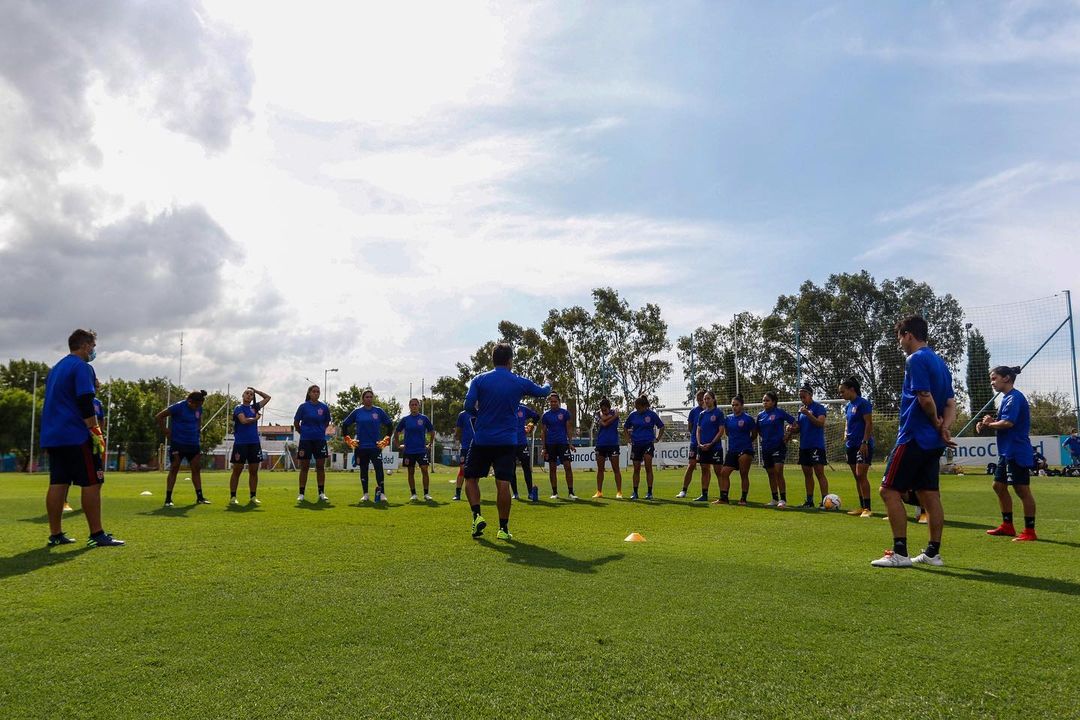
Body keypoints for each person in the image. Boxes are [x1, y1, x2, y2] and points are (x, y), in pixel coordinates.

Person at [872, 315, 956, 568]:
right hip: (933, 441)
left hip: (914, 435)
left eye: (900, 336)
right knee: (929, 494)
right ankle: (933, 553)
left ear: (908, 334)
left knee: (888, 490)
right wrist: (945, 428)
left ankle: (900, 553)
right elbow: (951, 403)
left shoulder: (915, 359)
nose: (899, 342)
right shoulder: (940, 363)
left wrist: (934, 423)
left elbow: (924, 397)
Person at [41, 329, 124, 547]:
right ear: (85, 345)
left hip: (54, 435)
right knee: (92, 482)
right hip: (76, 434)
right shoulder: (82, 367)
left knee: (58, 482)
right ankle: (97, 535)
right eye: (93, 346)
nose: (94, 351)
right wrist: (95, 430)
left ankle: (55, 534)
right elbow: (85, 399)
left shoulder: (56, 368)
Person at [461, 343, 551, 539]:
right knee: (503, 483)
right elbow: (543, 392)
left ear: (493, 360)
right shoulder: (518, 381)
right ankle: (503, 529)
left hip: (482, 439)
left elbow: (467, 405)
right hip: (507, 441)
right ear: (510, 361)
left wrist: (480, 415)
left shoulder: (479, 380)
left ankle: (477, 516)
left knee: (470, 478)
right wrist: (548, 383)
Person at [977, 366, 1037, 542]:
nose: (992, 382)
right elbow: (1001, 422)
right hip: (1006, 451)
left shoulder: (1015, 398)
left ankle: (1029, 531)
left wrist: (990, 424)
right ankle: (1008, 526)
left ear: (1007, 378)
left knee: (1022, 490)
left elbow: (1008, 423)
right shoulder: (1007, 398)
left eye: (994, 378)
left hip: (1016, 450)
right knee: (998, 486)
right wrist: (988, 423)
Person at [156, 390, 209, 507]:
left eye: (200, 406)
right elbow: (159, 416)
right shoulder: (178, 407)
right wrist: (165, 431)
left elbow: (198, 419)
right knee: (174, 468)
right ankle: (168, 499)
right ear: (190, 401)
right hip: (178, 443)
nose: (198, 408)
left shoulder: (199, 408)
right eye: (196, 405)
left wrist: (197, 429)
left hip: (193, 444)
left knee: (196, 468)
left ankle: (200, 497)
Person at [340, 389, 394, 503]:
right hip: (361, 447)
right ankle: (365, 494)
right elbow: (344, 425)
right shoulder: (357, 412)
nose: (369, 399)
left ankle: (382, 493)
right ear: (363, 399)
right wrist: (348, 439)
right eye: (366, 397)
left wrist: (386, 439)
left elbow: (390, 425)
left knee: (379, 469)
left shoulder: (378, 411)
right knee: (363, 470)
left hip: (375, 447)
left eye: (370, 397)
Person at [229, 387, 271, 506]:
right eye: (247, 393)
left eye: (251, 394)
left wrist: (256, 390)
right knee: (237, 470)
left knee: (254, 471)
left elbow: (268, 398)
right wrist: (256, 418)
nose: (249, 395)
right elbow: (244, 421)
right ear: (242, 395)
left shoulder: (255, 407)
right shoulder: (238, 408)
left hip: (254, 443)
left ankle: (253, 496)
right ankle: (233, 497)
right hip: (241, 443)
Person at [789, 383, 829, 508]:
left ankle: (825, 501)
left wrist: (808, 414)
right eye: (800, 397)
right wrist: (792, 429)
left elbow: (820, 423)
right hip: (804, 446)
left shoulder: (819, 408)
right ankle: (809, 501)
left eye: (804, 396)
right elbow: (799, 429)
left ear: (810, 395)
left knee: (819, 473)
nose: (802, 399)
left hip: (816, 445)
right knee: (807, 473)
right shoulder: (801, 411)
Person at [839, 377, 875, 518]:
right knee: (856, 477)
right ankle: (861, 506)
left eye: (843, 392)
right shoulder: (848, 406)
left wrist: (865, 442)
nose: (841, 395)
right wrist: (845, 433)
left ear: (851, 389)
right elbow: (848, 422)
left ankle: (868, 508)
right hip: (851, 445)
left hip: (862, 445)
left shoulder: (863, 403)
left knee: (861, 475)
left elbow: (869, 424)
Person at [716, 394, 757, 505]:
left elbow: (754, 434)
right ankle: (724, 498)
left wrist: (746, 442)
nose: (734, 407)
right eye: (733, 405)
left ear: (742, 406)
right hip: (732, 450)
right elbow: (728, 433)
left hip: (745, 450)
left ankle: (743, 499)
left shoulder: (748, 419)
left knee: (743, 474)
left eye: (737, 405)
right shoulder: (728, 419)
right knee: (724, 473)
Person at [757, 391, 796, 508]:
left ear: (774, 402)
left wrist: (788, 435)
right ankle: (774, 498)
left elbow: (794, 423)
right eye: (764, 400)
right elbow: (758, 430)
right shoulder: (760, 415)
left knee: (778, 471)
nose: (765, 402)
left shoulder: (779, 412)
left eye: (767, 400)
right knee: (770, 474)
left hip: (778, 446)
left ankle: (783, 499)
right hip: (766, 447)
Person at [293, 385, 331, 503]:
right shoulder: (303, 407)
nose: (316, 393)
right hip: (306, 440)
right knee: (304, 467)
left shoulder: (324, 407)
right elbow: (296, 422)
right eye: (314, 391)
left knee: (320, 467)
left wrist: (319, 431)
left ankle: (321, 493)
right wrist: (303, 432)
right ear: (309, 393)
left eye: (318, 392)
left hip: (320, 440)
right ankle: (301, 493)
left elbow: (326, 422)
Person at [623, 395, 665, 500]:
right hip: (636, 444)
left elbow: (661, 426)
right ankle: (635, 492)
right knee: (636, 468)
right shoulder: (633, 415)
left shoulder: (651, 414)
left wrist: (657, 438)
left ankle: (649, 492)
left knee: (648, 466)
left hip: (648, 444)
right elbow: (625, 427)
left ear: (644, 406)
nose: (637, 409)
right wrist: (628, 438)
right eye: (636, 407)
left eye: (639, 407)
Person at [395, 398, 435, 501]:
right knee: (410, 472)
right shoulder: (405, 419)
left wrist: (430, 444)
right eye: (412, 405)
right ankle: (413, 494)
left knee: (424, 470)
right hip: (409, 451)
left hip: (421, 450)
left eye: (416, 404)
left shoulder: (424, 418)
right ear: (409, 406)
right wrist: (398, 444)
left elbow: (432, 431)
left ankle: (426, 494)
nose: (414, 406)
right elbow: (397, 432)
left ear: (419, 406)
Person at [541, 392, 577, 500]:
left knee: (567, 467)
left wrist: (570, 443)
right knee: (552, 468)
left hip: (563, 443)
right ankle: (554, 492)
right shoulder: (546, 415)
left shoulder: (565, 413)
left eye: (555, 401)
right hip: (550, 444)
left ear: (559, 402)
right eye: (551, 402)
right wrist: (544, 447)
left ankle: (571, 492)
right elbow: (543, 432)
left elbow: (569, 429)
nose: (553, 403)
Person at [693, 391, 724, 502]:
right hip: (703, 447)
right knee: (704, 470)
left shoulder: (718, 413)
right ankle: (704, 494)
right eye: (705, 399)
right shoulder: (702, 414)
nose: (706, 400)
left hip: (715, 447)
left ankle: (723, 496)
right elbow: (698, 431)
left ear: (713, 400)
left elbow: (721, 431)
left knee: (718, 471)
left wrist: (711, 444)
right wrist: (700, 444)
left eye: (708, 398)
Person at [677, 390, 707, 498]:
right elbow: (690, 426)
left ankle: (704, 493)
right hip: (695, 443)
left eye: (702, 398)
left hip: (707, 444)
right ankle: (683, 490)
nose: (700, 401)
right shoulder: (694, 411)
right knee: (691, 465)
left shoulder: (711, 411)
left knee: (705, 467)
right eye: (698, 399)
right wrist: (695, 437)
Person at [593, 397, 623, 499]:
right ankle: (599, 491)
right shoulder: (598, 414)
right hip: (601, 444)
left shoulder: (614, 412)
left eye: (605, 409)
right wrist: (614, 416)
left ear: (609, 408)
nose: (603, 411)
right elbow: (604, 423)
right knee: (600, 469)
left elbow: (607, 421)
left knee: (616, 469)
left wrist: (614, 415)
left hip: (613, 444)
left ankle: (619, 492)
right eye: (602, 409)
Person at [515, 403, 541, 502]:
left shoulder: (523, 409)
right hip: (510, 443)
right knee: (511, 469)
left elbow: (536, 416)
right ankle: (515, 493)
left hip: (522, 443)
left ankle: (530, 493)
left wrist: (531, 425)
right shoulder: (505, 407)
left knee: (526, 468)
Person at [452, 409, 475, 501]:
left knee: (475, 472)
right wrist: (457, 443)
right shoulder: (462, 414)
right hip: (465, 446)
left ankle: (473, 493)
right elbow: (458, 430)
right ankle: (457, 494)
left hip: (478, 446)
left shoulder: (481, 412)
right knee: (462, 469)